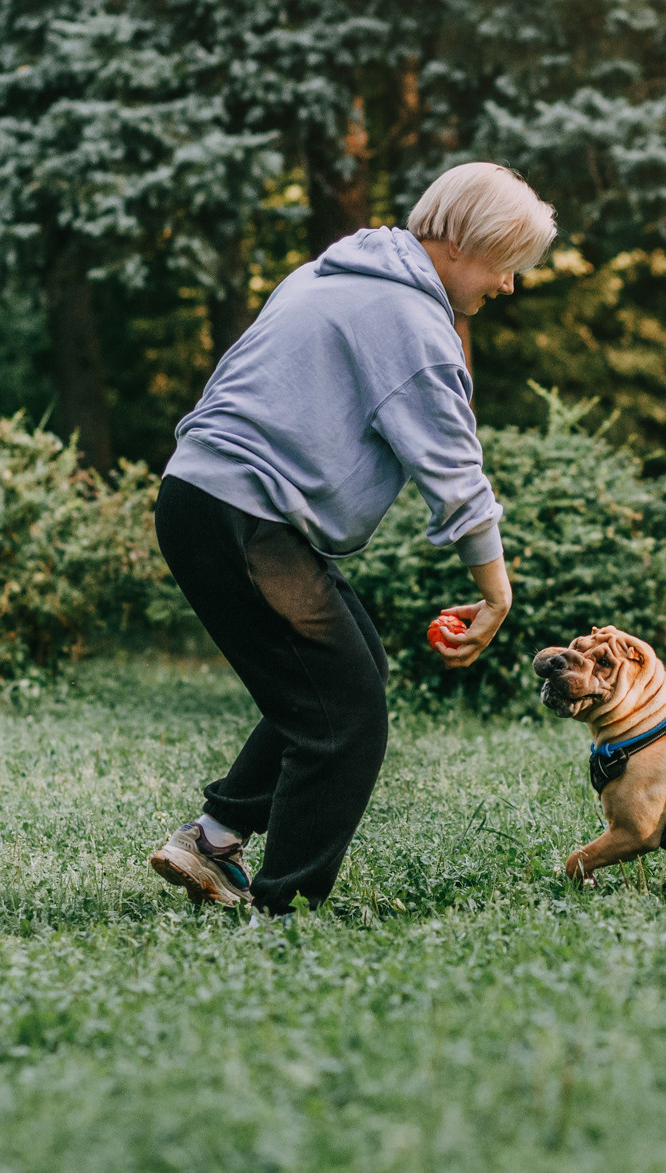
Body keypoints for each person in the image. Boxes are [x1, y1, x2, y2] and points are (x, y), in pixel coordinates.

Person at [148, 162, 556, 912]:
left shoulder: (328, 272)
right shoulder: (416, 325)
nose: (507, 286)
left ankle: (214, 837)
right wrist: (496, 593)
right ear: (467, 244)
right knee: (346, 715)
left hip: (200, 495)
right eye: (507, 265)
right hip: (245, 512)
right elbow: (455, 470)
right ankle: (287, 908)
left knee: (344, 673)